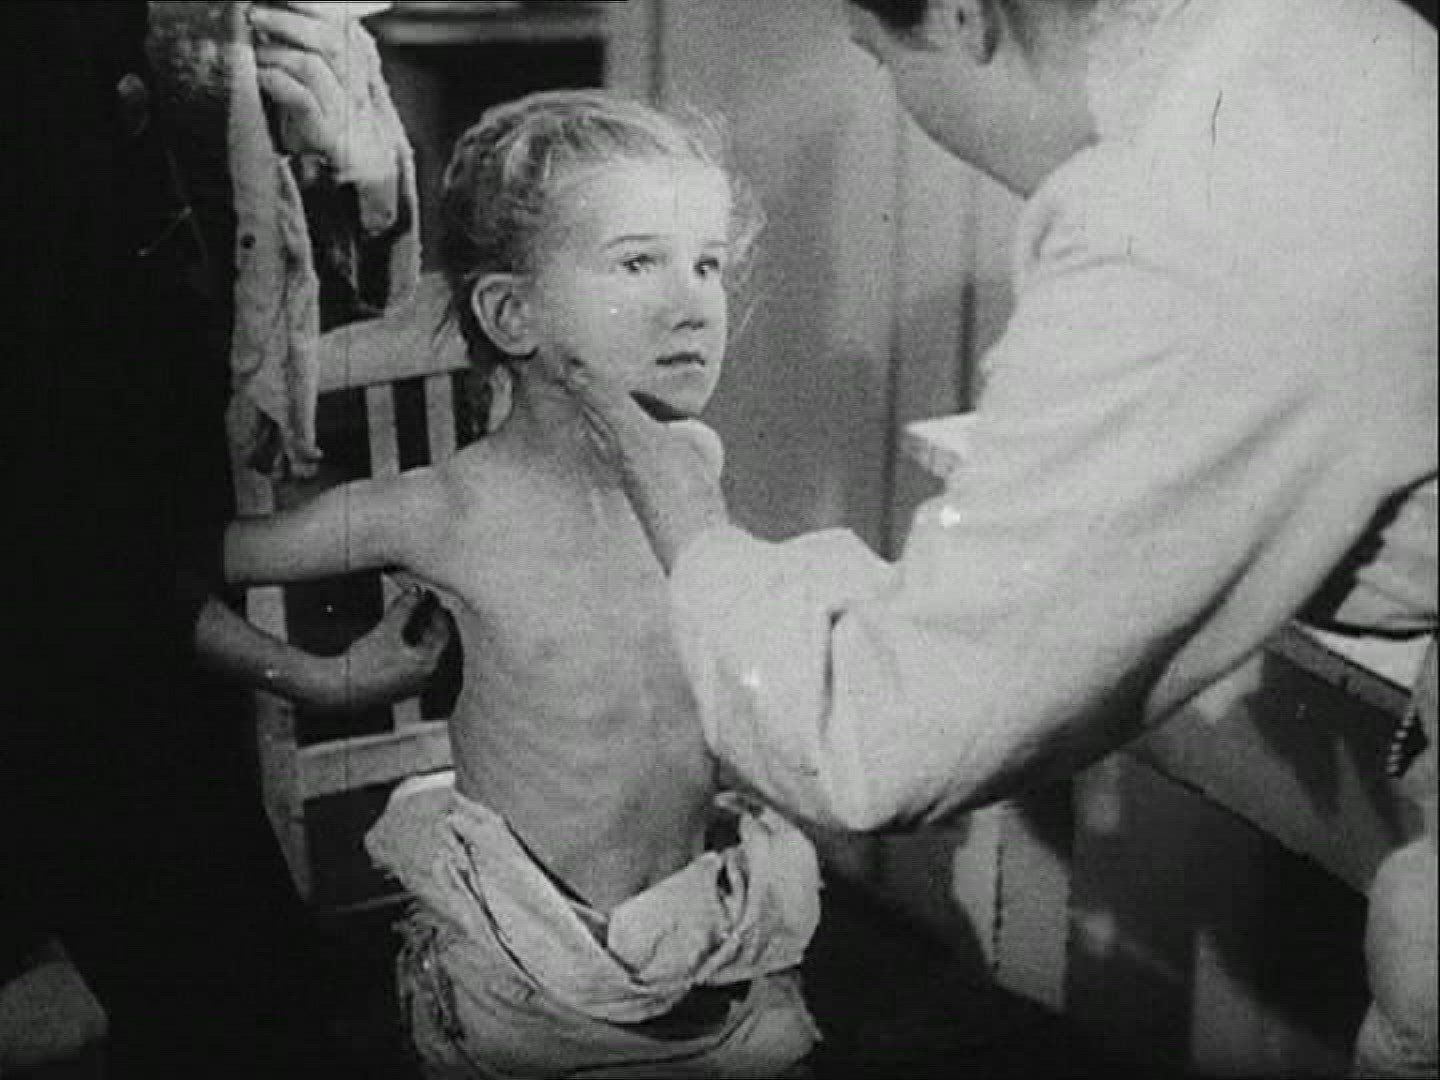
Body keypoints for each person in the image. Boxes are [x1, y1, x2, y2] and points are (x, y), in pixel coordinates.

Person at [558, 1, 1437, 1076]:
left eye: (885, 60)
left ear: (964, 15)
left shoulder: (1191, 217)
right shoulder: (1324, 31)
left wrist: (681, 500)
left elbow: (879, 743)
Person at [222, 90, 823, 1078]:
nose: (694, 303)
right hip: (533, 970)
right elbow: (159, 570)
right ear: (511, 314)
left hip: (695, 937)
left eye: (708, 264)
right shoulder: (443, 510)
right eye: (639, 262)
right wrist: (317, 677)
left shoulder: (692, 465)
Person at [0, 3, 447, 1076]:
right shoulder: (48, 80)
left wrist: (358, 181)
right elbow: (73, 549)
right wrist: (315, 675)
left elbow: (298, 314)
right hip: (71, 666)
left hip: (129, 622)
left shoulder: (190, 59)